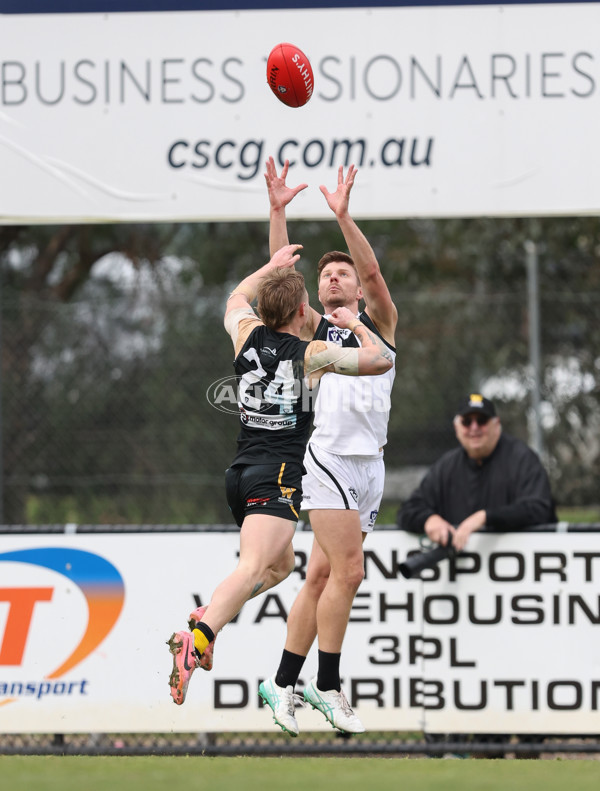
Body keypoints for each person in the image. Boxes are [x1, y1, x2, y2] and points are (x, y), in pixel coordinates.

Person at [167, 243, 393, 709]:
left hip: (239, 473)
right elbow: (380, 361)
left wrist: (269, 268)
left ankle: (210, 614)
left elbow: (234, 298)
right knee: (252, 567)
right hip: (278, 476)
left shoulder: (245, 333)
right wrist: (355, 326)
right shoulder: (310, 354)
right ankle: (200, 637)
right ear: (299, 310)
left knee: (284, 566)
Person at [257, 158, 398, 736]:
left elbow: (372, 269)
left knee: (319, 580)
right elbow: (276, 279)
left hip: (371, 467)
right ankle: (330, 686)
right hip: (329, 460)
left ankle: (283, 683)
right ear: (314, 294)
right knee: (350, 573)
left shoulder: (381, 323)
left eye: (344, 274)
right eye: (328, 276)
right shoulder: (315, 331)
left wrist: (343, 217)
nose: (336, 278)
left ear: (359, 288)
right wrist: (277, 211)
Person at [397, 393, 557, 549]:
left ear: (497, 425)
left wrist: (485, 517)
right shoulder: (447, 466)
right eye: (467, 422)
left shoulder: (522, 458)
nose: (474, 428)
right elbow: (408, 509)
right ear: (456, 427)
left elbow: (539, 509)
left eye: (482, 421)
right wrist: (428, 520)